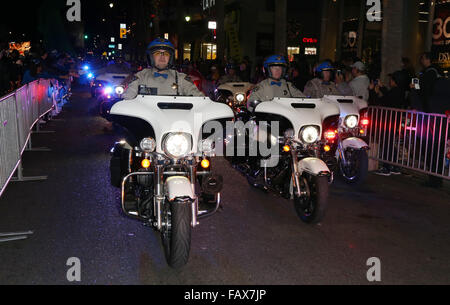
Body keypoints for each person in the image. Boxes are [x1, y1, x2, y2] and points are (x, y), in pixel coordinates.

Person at [122, 38, 204, 100]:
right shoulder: (141, 76)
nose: (162, 57)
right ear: (151, 57)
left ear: (170, 58)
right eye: (158, 53)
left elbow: (200, 99)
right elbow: (127, 98)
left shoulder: (180, 78)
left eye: (166, 54)